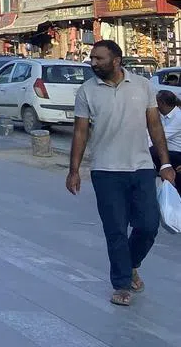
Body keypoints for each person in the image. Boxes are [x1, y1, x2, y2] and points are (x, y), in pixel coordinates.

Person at [66, 40, 175, 306]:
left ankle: (132, 262)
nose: (93, 63)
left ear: (116, 60)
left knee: (148, 226)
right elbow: (81, 132)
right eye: (92, 58)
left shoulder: (142, 86)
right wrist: (74, 170)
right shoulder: (86, 91)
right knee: (115, 229)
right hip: (105, 171)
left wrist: (165, 163)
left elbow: (155, 127)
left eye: (99, 58)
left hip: (141, 168)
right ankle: (122, 283)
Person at [151, 90, 181, 185]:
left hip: (177, 154)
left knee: (151, 152)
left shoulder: (178, 118)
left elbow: (159, 137)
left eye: (156, 102)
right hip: (169, 151)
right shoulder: (162, 115)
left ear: (162, 103)